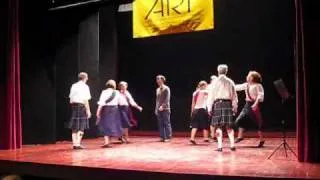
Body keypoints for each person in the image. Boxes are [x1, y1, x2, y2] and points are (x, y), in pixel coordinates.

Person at [208, 64, 238, 152]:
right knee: (229, 126)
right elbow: (234, 96)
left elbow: (211, 96)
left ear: (218, 71)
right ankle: (232, 145)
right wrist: (234, 107)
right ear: (226, 71)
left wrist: (209, 108)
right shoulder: (230, 81)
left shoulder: (215, 82)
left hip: (218, 104)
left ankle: (220, 146)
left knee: (218, 126)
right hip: (228, 104)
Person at [234, 71, 265, 147]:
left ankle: (261, 139)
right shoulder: (246, 85)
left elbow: (260, 95)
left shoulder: (258, 85)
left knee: (257, 122)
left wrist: (256, 104)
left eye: (249, 76)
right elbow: (237, 87)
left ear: (253, 77)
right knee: (240, 119)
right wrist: (229, 85)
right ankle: (240, 136)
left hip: (255, 104)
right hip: (247, 104)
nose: (247, 76)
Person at [67, 72, 91, 150]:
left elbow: (70, 98)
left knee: (74, 126)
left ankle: (75, 144)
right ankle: (78, 143)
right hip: (81, 106)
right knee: (81, 126)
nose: (87, 79)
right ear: (85, 78)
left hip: (74, 106)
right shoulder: (85, 86)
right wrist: (88, 110)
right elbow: (85, 99)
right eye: (87, 77)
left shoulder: (74, 85)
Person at [96, 80, 123, 148]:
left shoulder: (104, 92)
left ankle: (106, 142)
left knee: (105, 125)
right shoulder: (117, 92)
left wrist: (98, 111)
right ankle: (108, 141)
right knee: (113, 125)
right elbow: (120, 102)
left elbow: (101, 102)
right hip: (115, 110)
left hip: (106, 109)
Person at [190, 81, 210, 145]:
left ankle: (192, 138)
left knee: (194, 125)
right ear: (204, 86)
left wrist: (192, 111)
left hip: (195, 110)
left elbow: (193, 103)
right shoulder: (206, 92)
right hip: (202, 109)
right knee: (205, 124)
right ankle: (206, 138)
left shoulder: (195, 93)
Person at [155, 75, 172, 142]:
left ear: (162, 80)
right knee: (160, 123)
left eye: (159, 79)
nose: (158, 81)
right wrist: (156, 108)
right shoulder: (157, 89)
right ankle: (162, 137)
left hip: (166, 109)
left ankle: (168, 137)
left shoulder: (166, 88)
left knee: (166, 123)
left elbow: (167, 99)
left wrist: (163, 106)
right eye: (157, 79)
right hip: (159, 109)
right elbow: (157, 100)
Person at [207, 75, 218, 141]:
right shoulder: (209, 86)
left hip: (216, 103)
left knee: (216, 120)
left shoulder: (217, 86)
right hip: (211, 104)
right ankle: (213, 135)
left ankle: (214, 135)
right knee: (212, 120)